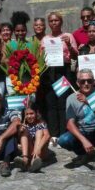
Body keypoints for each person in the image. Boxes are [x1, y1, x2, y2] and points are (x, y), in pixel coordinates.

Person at [58, 69, 95, 175]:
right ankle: (84, 153)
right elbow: (70, 124)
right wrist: (84, 140)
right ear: (77, 83)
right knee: (63, 140)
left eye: (89, 80)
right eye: (82, 81)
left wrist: (88, 101)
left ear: (94, 81)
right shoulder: (71, 98)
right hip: (83, 132)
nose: (86, 84)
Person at [40, 12, 78, 145]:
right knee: (51, 103)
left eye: (56, 20)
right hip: (49, 72)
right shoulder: (45, 39)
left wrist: (68, 45)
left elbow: (75, 56)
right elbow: (40, 58)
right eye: (51, 21)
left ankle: (63, 133)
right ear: (48, 23)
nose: (54, 23)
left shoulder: (68, 36)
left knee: (62, 103)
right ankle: (53, 134)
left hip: (64, 71)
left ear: (61, 22)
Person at [16, 103, 51, 172]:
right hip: (28, 152)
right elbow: (18, 141)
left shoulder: (41, 123)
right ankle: (25, 160)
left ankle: (34, 160)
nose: (29, 116)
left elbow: (47, 135)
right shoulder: (23, 125)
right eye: (27, 114)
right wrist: (20, 132)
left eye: (31, 113)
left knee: (39, 131)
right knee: (24, 133)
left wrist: (38, 149)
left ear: (36, 113)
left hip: (40, 152)